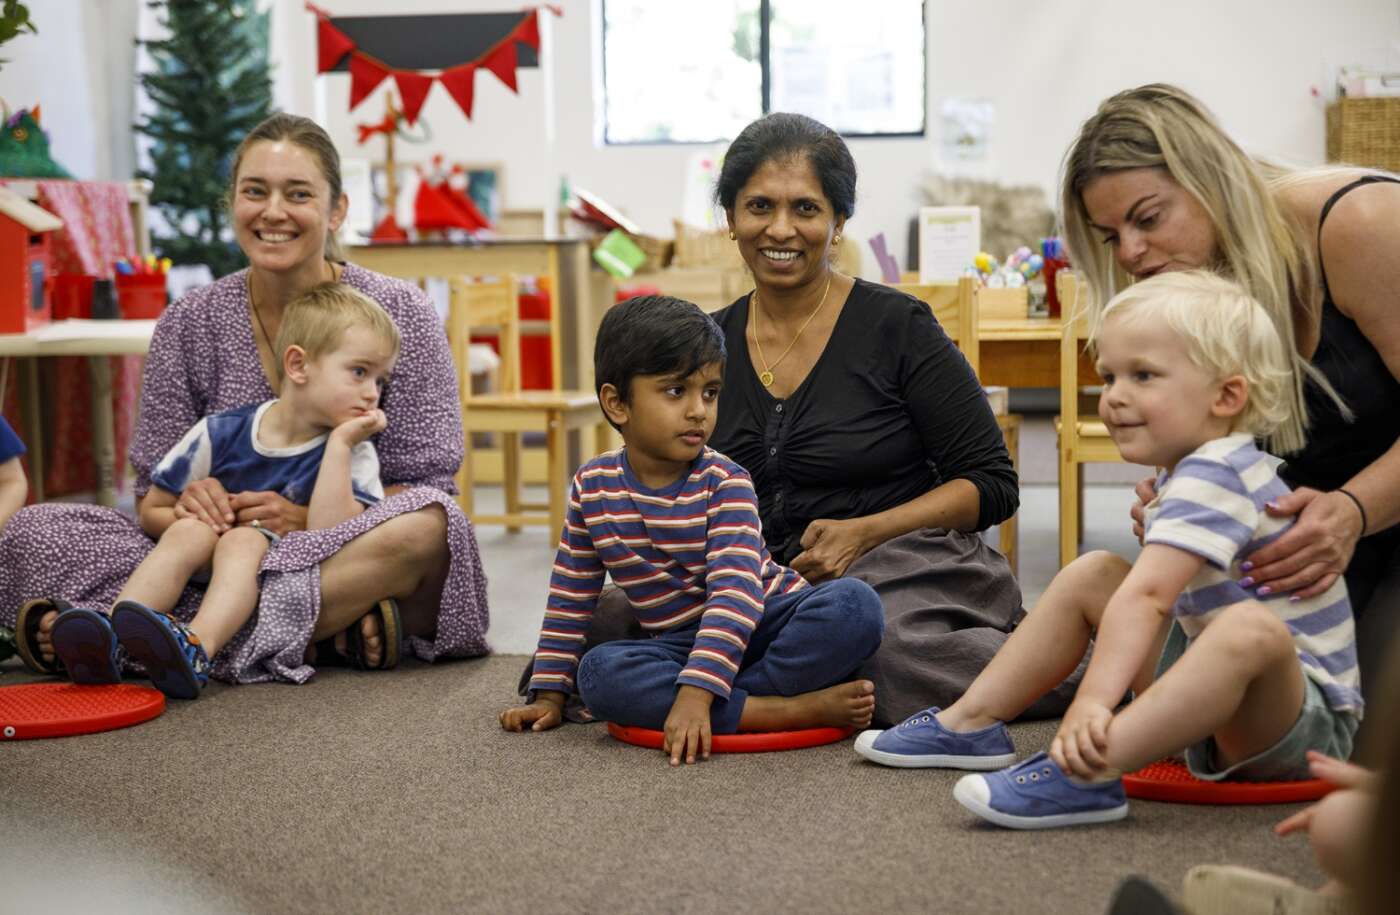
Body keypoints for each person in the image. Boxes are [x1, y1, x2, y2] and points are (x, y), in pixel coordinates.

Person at [855, 272, 1362, 831]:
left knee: (1248, 628)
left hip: (1300, 728)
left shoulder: (1216, 471)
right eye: (1109, 377)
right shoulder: (1195, 470)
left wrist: (1093, 703)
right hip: (1225, 702)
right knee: (1097, 571)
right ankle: (968, 721)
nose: (1115, 396)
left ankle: (1088, 768)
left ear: (1226, 396)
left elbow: (1148, 597)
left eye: (1143, 376)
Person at [6, 112, 488, 686]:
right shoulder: (190, 319)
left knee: (429, 528)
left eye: (298, 194)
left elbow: (426, 479)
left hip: (339, 549)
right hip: (205, 558)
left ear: (336, 211)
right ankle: (322, 633)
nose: (273, 212)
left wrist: (309, 522)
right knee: (29, 530)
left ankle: (138, 639)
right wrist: (194, 501)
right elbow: (149, 492)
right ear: (232, 203)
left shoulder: (399, 312)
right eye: (254, 192)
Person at [1059, 83, 1400, 706]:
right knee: (1231, 698)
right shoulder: (1197, 288)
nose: (1131, 253)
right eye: (1111, 236)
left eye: (1149, 217)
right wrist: (1180, 494)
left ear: (1211, 178)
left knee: (1365, 732)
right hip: (1317, 542)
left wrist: (1353, 510)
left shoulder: (1358, 222)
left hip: (1365, 517)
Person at [701, 111, 1034, 726]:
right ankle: (783, 688)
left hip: (905, 565)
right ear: (730, 218)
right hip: (759, 580)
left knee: (877, 650)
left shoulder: (898, 327)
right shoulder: (708, 343)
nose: (781, 228)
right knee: (615, 624)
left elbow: (992, 483)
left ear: (839, 221)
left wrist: (866, 531)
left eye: (805, 208)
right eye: (759, 206)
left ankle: (1062, 661)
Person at [499, 295, 884, 766]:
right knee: (599, 674)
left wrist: (698, 692)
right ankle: (776, 709)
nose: (699, 410)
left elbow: (736, 595)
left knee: (854, 605)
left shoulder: (726, 482)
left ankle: (726, 703)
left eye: (710, 392)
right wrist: (550, 694)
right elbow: (570, 595)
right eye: (676, 391)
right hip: (679, 641)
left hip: (765, 619)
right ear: (617, 403)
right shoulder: (591, 487)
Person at [44, 284, 398, 698]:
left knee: (245, 540)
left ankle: (197, 648)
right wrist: (192, 520)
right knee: (188, 530)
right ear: (299, 365)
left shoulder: (353, 451)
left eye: (379, 379)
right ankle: (111, 634)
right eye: (359, 372)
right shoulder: (220, 431)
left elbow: (333, 537)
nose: (373, 392)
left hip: (292, 586)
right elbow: (152, 510)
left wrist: (340, 445)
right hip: (204, 570)